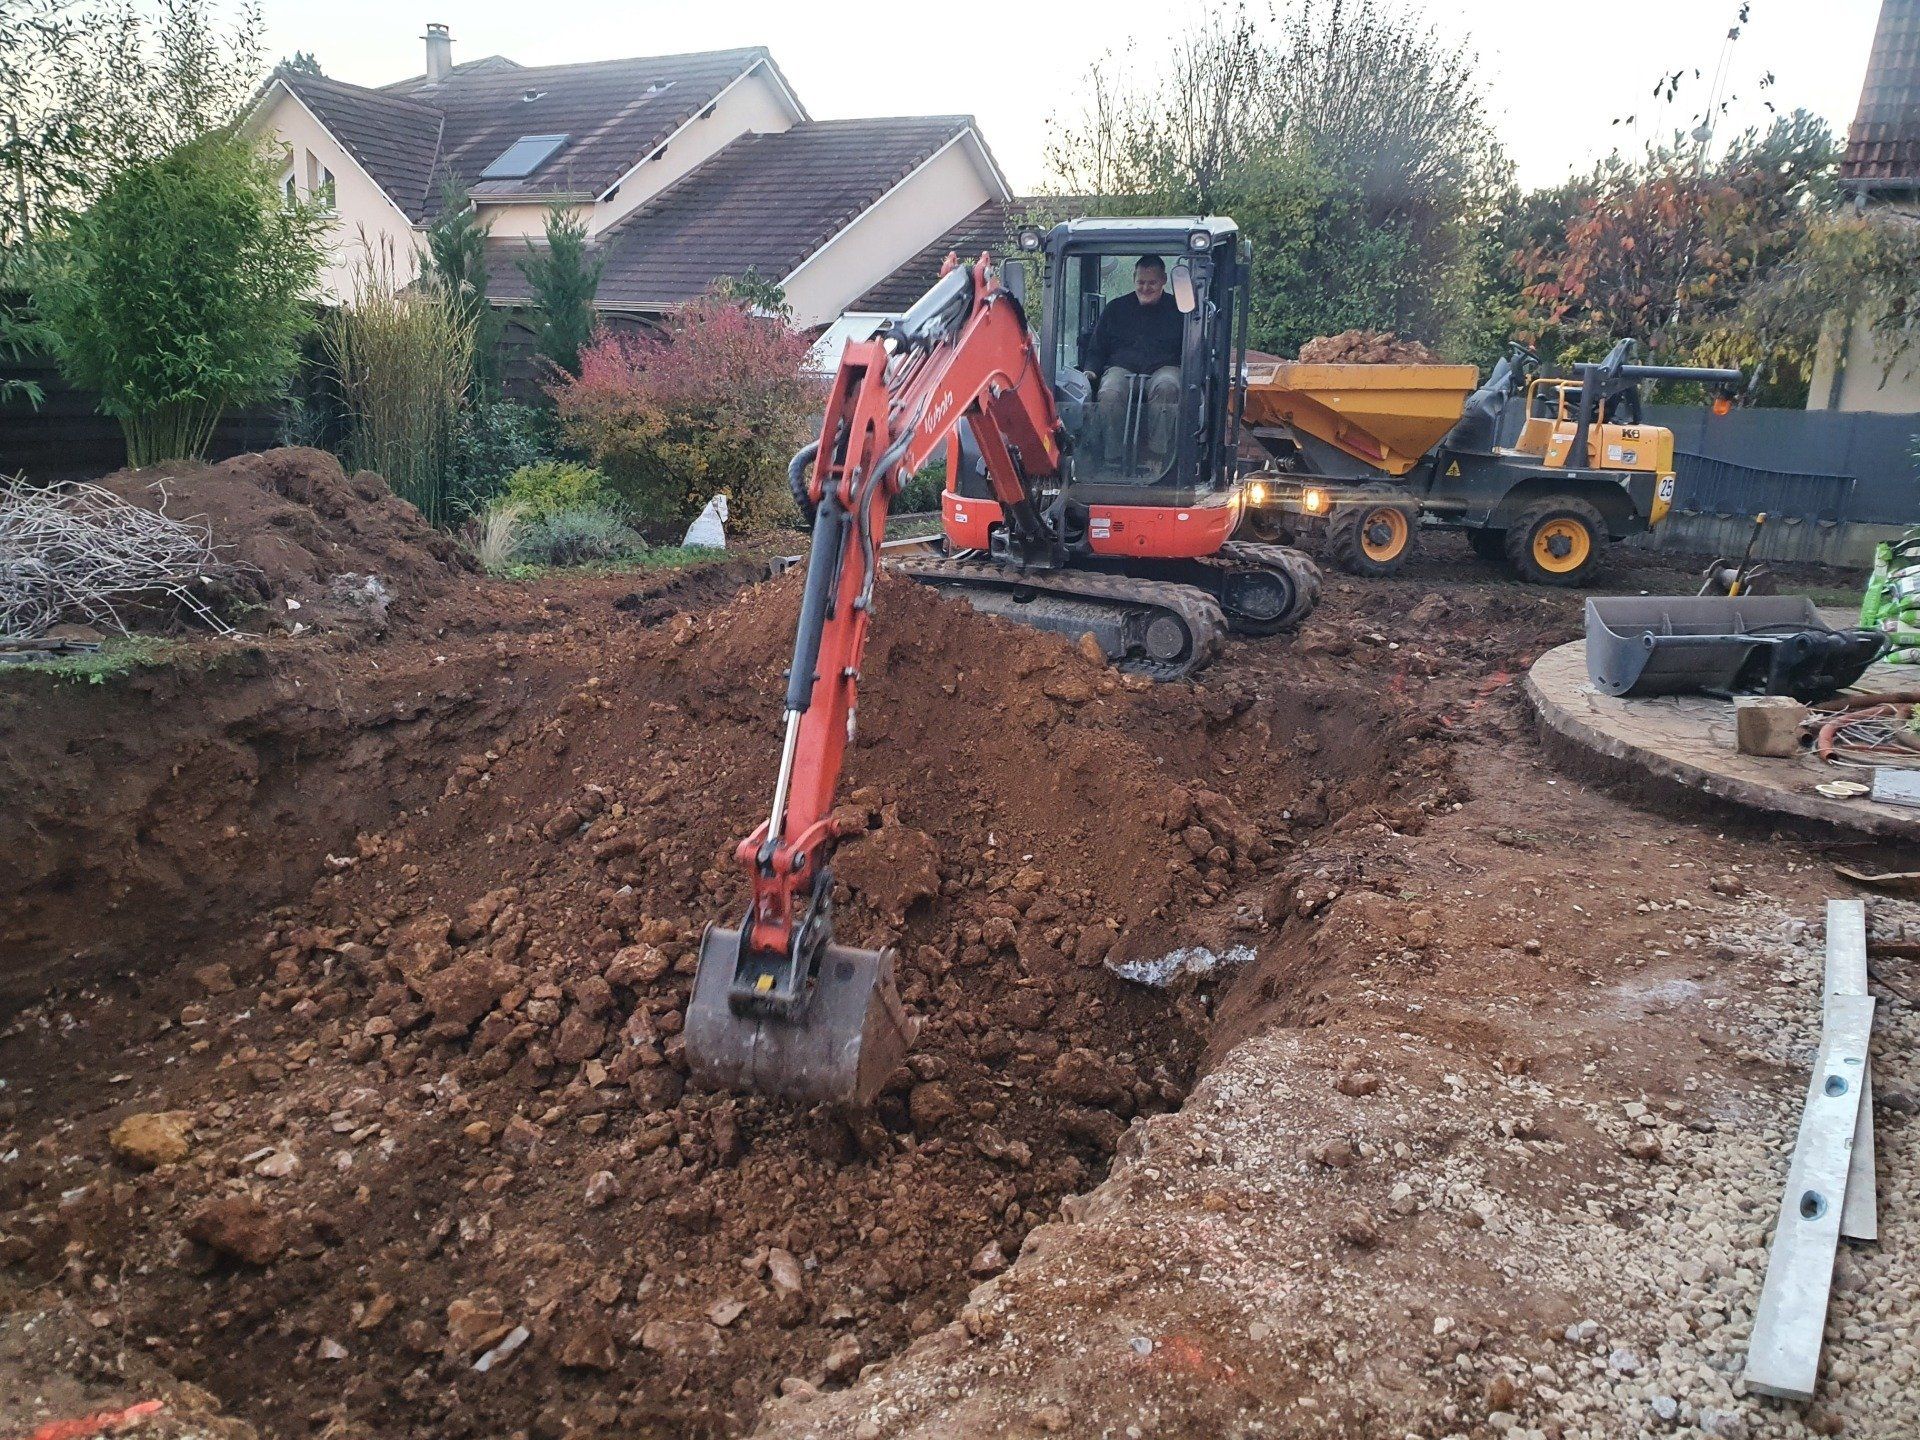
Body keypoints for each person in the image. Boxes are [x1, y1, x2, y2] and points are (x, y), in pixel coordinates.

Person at [1083, 255, 1183, 468]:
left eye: (1152, 283)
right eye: (1141, 282)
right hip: (1122, 368)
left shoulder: (1180, 311)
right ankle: (1113, 458)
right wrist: (1090, 370)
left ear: (1164, 280)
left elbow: (1191, 349)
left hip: (1164, 367)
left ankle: (1157, 458)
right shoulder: (1115, 309)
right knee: (1110, 391)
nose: (1145, 288)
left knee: (1167, 386)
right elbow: (1097, 347)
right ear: (1133, 279)